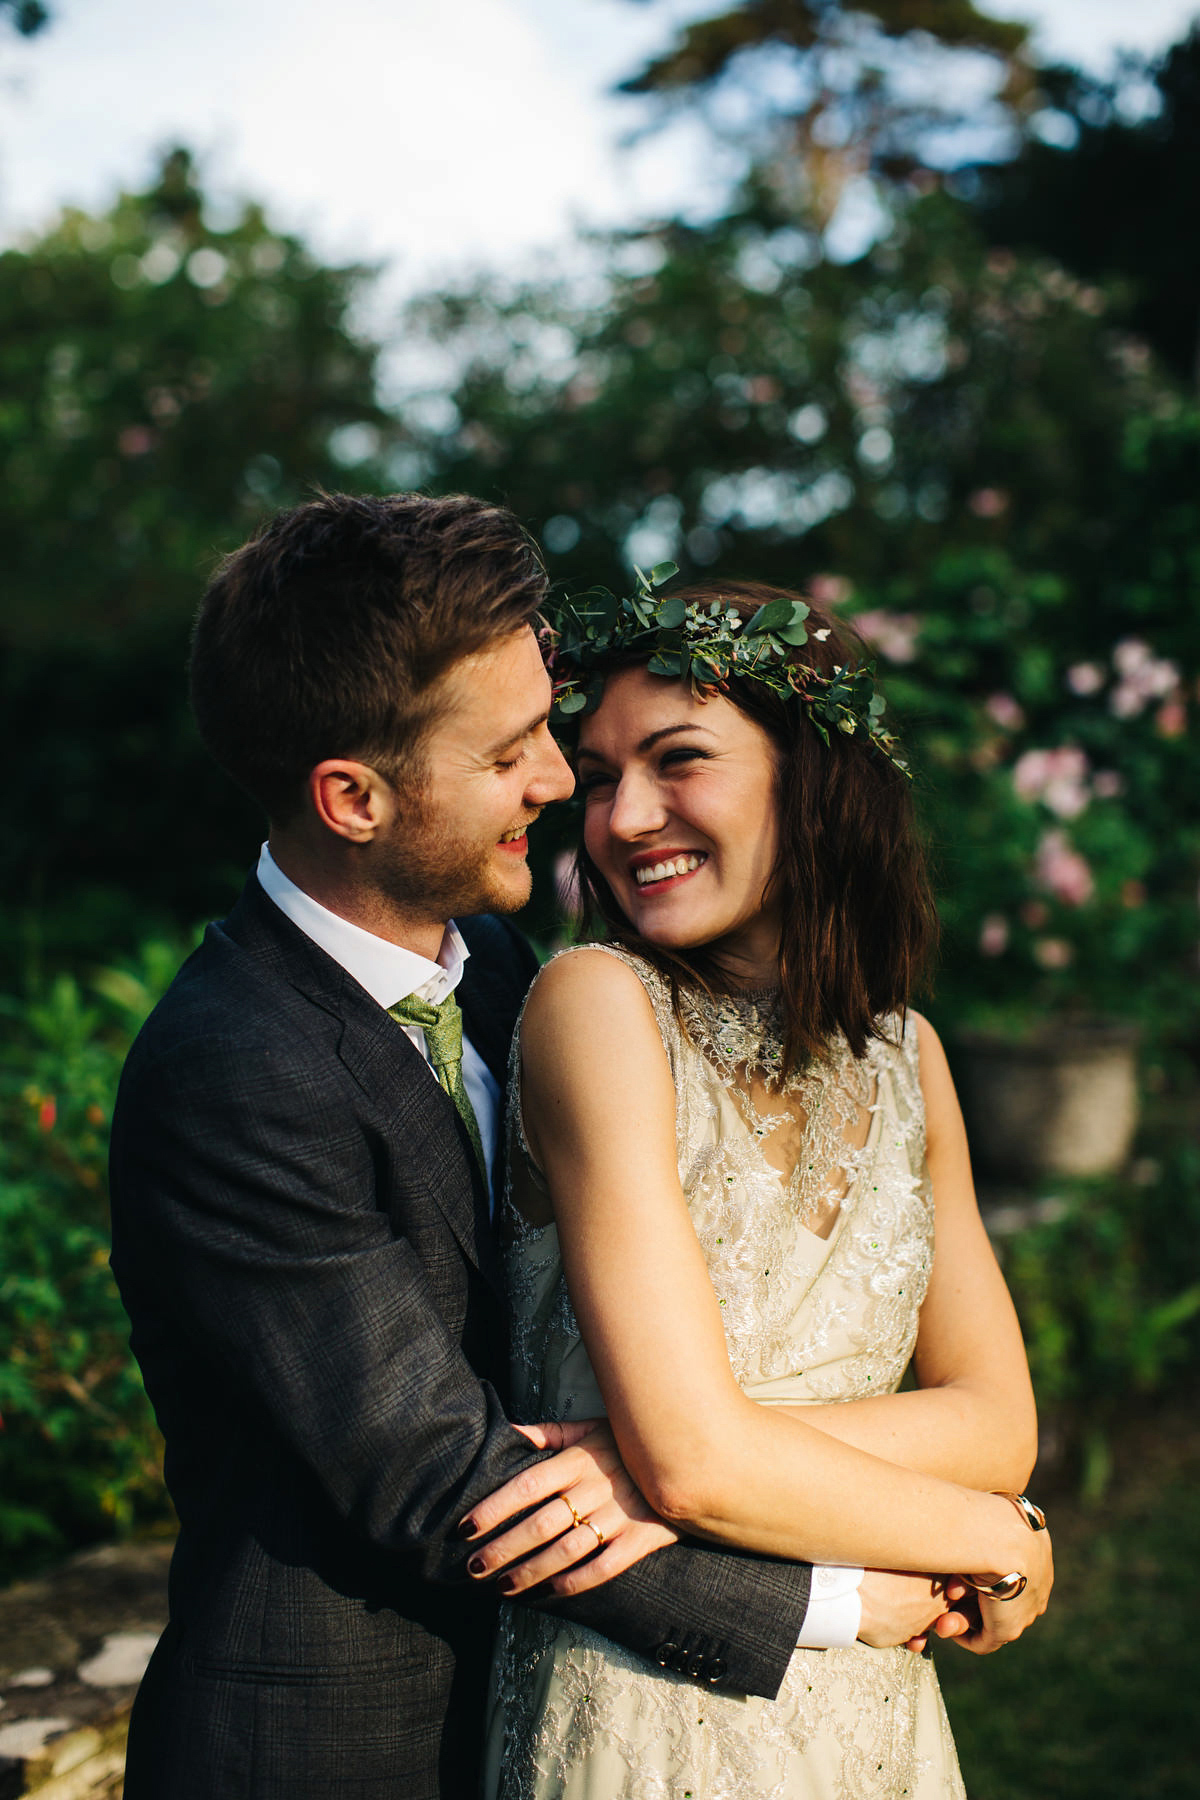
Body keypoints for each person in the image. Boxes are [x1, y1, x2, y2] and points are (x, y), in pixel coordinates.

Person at [109, 496, 943, 1800]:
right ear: (353, 797)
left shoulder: (505, 966)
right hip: (333, 1752)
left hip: (544, 1703)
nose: (560, 785)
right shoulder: (231, 1073)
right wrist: (834, 1605)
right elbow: (444, 1479)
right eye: (512, 757)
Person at [469, 576, 1054, 1798]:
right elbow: (699, 1468)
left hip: (876, 1703)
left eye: (680, 760)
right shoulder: (596, 1008)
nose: (625, 817)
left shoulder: (909, 1058)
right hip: (648, 1705)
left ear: (814, 774)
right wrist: (998, 1538)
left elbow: (997, 1422)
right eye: (598, 776)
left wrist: (653, 1459)